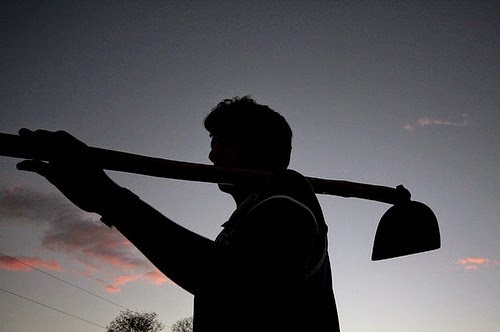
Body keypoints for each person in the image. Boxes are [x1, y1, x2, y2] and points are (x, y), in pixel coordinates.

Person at [17, 96, 341, 332]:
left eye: (225, 141)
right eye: (213, 143)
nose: (212, 154)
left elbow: (229, 280)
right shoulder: (246, 220)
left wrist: (108, 197)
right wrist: (106, 198)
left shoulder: (287, 190)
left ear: (267, 147)